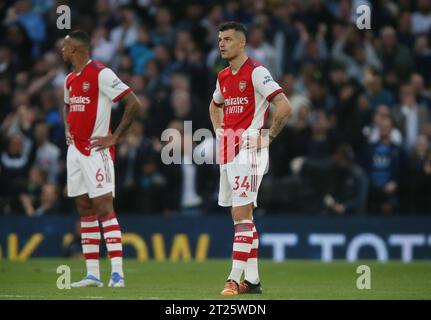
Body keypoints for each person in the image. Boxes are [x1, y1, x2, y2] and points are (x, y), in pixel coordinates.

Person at [209, 22, 291, 295]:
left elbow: (284, 106)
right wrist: (219, 131)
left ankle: (233, 279)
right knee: (240, 217)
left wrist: (267, 137)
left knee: (241, 215)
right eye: (220, 39)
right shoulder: (223, 77)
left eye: (228, 39)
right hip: (229, 151)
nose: (222, 43)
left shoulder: (257, 72)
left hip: (249, 151)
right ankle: (253, 282)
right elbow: (214, 105)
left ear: (242, 43)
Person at [62, 31, 142, 287]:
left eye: (65, 47)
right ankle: (92, 274)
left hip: (97, 151)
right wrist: (67, 127)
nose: (61, 51)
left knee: (104, 208)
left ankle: (117, 273)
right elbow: (67, 106)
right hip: (74, 151)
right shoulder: (69, 79)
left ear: (76, 50)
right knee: (84, 208)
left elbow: (133, 103)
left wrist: (115, 137)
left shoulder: (101, 73)